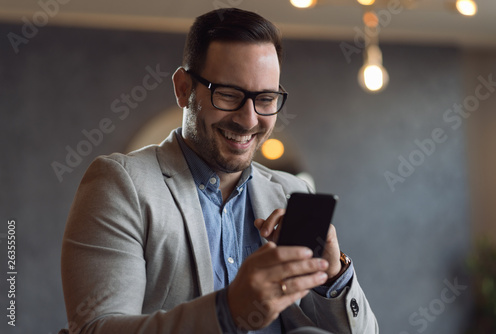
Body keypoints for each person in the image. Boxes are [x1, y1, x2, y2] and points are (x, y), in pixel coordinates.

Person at [61, 8, 378, 334]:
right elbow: (96, 330)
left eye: (265, 99)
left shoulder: (292, 193)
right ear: (184, 88)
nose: (249, 119)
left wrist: (333, 274)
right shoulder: (119, 183)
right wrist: (228, 312)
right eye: (228, 95)